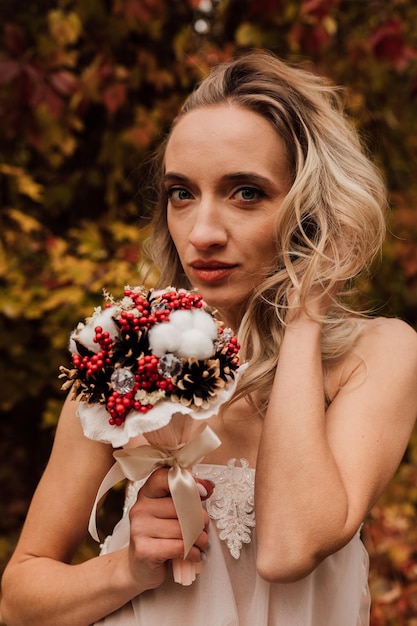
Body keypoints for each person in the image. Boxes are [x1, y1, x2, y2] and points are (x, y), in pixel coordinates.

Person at [2, 50, 417, 626]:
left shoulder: (375, 355)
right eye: (182, 193)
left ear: (312, 208)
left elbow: (288, 549)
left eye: (246, 192)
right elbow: (18, 599)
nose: (201, 233)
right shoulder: (127, 357)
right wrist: (129, 569)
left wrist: (303, 317)